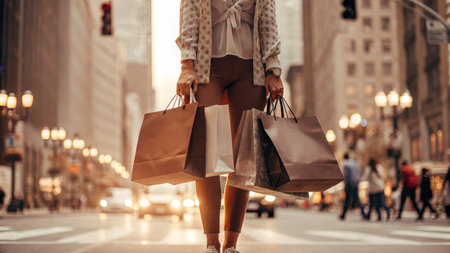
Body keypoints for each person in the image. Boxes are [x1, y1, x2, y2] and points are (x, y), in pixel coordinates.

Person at [176, 1, 284, 252]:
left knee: (245, 158)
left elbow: (268, 20)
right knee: (207, 154)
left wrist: (274, 69)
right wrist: (186, 65)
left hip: (252, 70)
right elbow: (190, 14)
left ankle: (231, 245)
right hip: (207, 68)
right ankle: (211, 243)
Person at [339, 153, 367, 220]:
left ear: (344, 158)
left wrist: (345, 185)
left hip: (349, 184)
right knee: (357, 199)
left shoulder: (346, 165)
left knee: (347, 199)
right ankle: (363, 212)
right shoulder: (355, 163)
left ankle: (343, 214)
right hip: (356, 183)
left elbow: (346, 176)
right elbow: (359, 172)